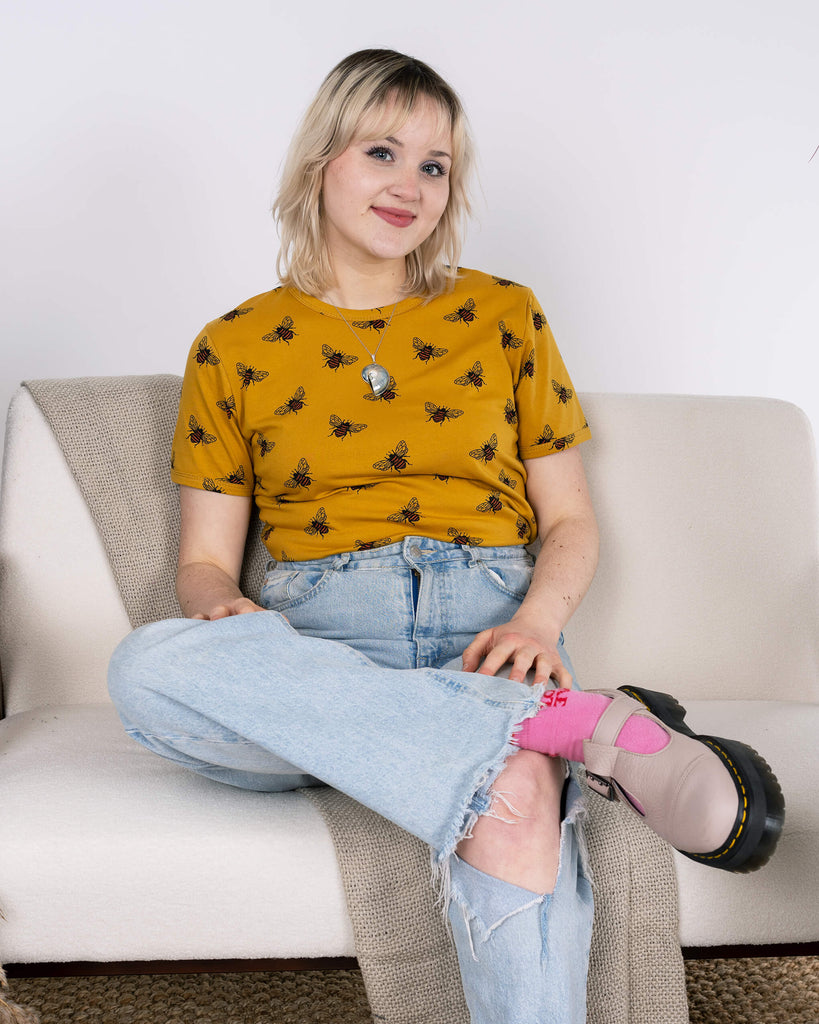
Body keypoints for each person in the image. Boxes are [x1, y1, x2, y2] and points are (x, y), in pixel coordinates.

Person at [108, 49, 783, 1024]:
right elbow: (204, 557)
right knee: (146, 670)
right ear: (319, 162)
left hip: (493, 623)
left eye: (436, 166)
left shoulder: (504, 317)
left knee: (510, 798)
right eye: (383, 149)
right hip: (320, 641)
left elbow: (571, 521)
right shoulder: (233, 345)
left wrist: (543, 625)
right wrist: (216, 604)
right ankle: (571, 727)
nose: (412, 184)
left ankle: (525, 719)